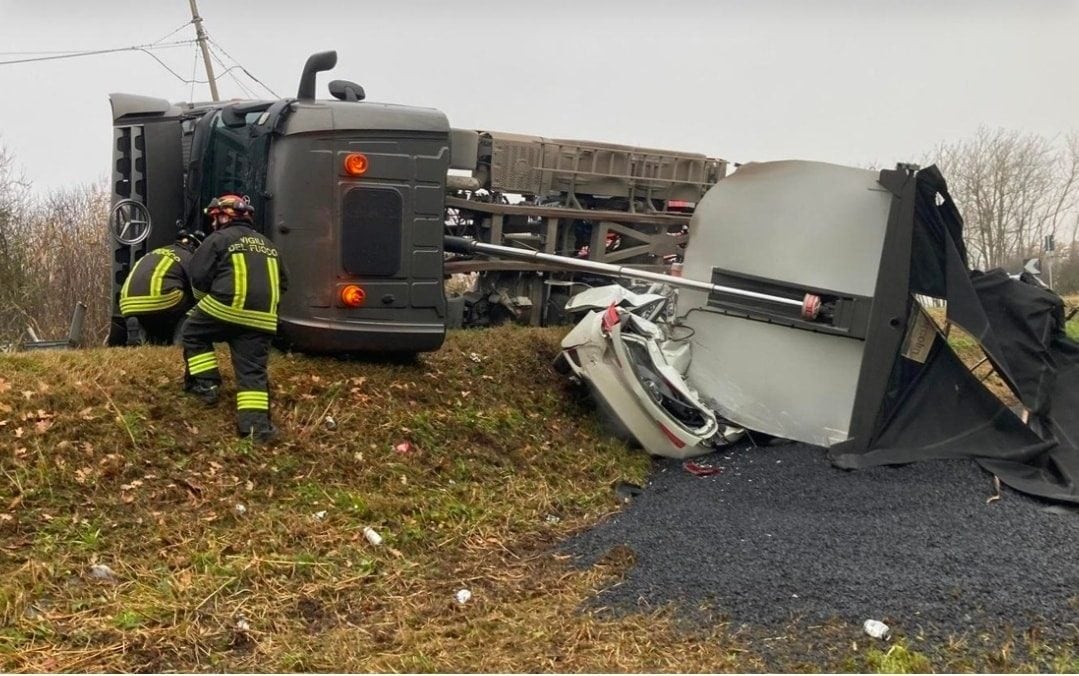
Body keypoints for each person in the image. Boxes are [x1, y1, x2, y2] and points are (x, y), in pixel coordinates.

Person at [181, 194, 288, 442]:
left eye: (216, 217)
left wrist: (201, 302)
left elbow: (198, 277)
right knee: (252, 372)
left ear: (224, 216)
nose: (214, 222)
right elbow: (283, 283)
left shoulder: (218, 239)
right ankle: (256, 430)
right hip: (262, 319)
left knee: (193, 333)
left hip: (224, 308)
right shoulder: (269, 244)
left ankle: (206, 386)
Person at [119, 229, 203, 345]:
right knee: (200, 301)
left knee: (150, 310)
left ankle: (137, 328)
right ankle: (182, 338)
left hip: (127, 303)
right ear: (196, 247)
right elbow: (198, 286)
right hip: (160, 301)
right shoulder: (190, 257)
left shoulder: (154, 252)